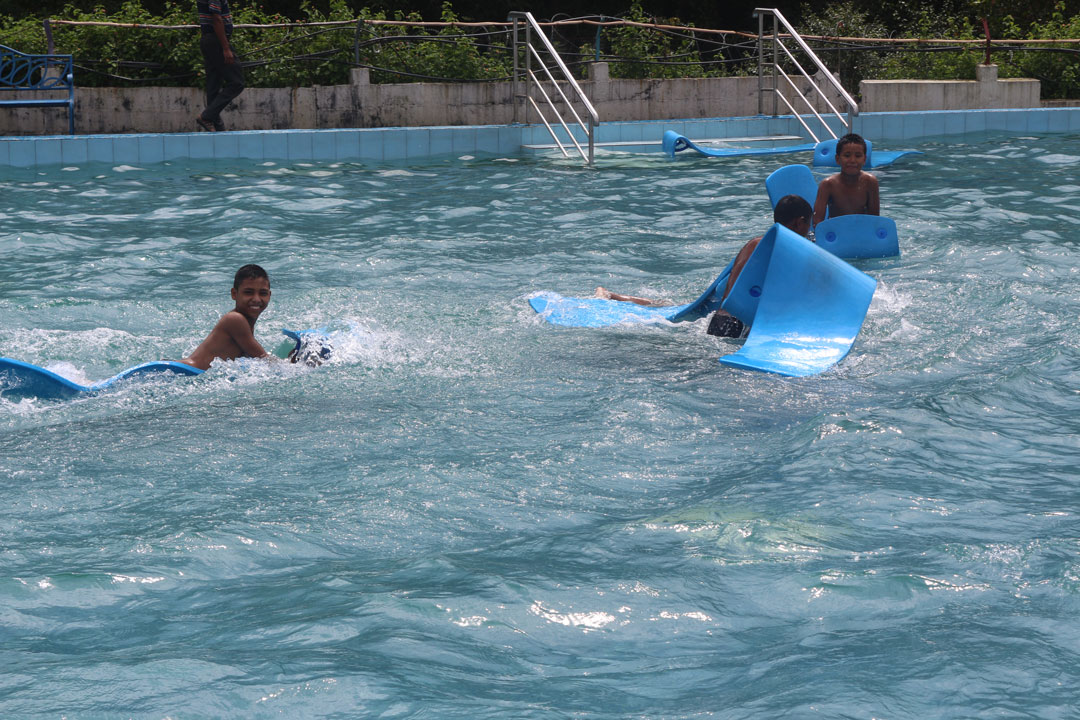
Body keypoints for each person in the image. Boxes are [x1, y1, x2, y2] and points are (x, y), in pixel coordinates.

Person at [595, 195, 814, 338]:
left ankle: (612, 295)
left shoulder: (787, 247)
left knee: (667, 306)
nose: (809, 229)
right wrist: (726, 312)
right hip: (725, 301)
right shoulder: (759, 243)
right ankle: (610, 295)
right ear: (798, 222)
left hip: (731, 301)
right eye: (808, 223)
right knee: (670, 313)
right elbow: (737, 275)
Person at [182, 264, 275, 370]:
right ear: (234, 294)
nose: (256, 299)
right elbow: (265, 359)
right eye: (248, 292)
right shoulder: (235, 320)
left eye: (263, 293)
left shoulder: (245, 322)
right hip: (184, 370)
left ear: (269, 295)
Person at [196, 0, 244, 132]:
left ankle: (217, 128)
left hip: (208, 40)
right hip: (216, 41)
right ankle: (206, 116)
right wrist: (226, 48)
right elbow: (216, 18)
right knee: (237, 82)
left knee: (213, 85)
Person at [813, 133, 880, 225]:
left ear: (864, 159)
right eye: (847, 155)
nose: (852, 160)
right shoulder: (828, 185)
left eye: (858, 156)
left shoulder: (870, 182)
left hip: (861, 230)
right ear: (837, 159)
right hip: (836, 233)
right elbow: (817, 221)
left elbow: (875, 220)